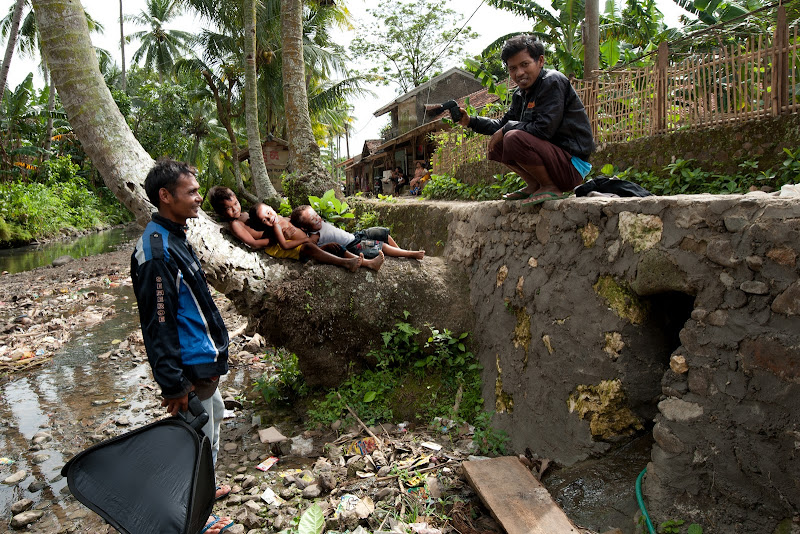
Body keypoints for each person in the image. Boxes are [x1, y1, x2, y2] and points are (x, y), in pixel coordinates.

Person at [131, 160, 234, 534]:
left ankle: (205, 491)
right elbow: (157, 325)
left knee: (214, 420)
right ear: (165, 196)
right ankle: (194, 517)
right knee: (196, 444)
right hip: (190, 368)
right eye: (191, 192)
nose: (198, 198)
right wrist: (174, 384)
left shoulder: (174, 236)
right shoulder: (156, 252)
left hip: (204, 360)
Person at [456, 34, 595, 205]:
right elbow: (502, 125)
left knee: (512, 137)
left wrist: (506, 129)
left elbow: (544, 128)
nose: (519, 73)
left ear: (540, 61)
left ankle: (550, 186)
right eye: (513, 68)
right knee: (497, 145)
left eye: (524, 64)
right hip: (554, 161)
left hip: (571, 165)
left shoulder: (552, 81)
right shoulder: (520, 94)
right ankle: (534, 184)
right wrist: (470, 121)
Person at [207, 187, 383, 271]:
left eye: (236, 203)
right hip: (278, 245)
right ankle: (347, 263)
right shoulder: (235, 224)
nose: (235, 209)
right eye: (228, 208)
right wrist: (276, 235)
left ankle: (368, 263)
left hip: (287, 239)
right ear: (220, 211)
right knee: (309, 247)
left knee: (335, 246)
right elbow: (253, 243)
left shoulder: (246, 214)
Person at [290, 205, 425, 260]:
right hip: (353, 246)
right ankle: (409, 254)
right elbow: (313, 247)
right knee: (380, 245)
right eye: (312, 219)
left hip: (356, 235)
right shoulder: (315, 235)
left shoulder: (318, 225)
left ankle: (400, 252)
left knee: (382, 233)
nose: (317, 219)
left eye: (316, 215)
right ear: (305, 228)